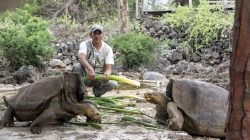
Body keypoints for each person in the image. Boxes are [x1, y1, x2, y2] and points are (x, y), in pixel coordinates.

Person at [72, 24, 118, 97]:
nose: (97, 36)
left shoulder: (108, 49)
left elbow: (108, 68)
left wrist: (106, 74)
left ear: (103, 35)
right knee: (77, 67)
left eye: (99, 33)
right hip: (86, 77)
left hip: (99, 79)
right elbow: (81, 58)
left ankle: (97, 92)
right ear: (91, 35)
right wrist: (90, 69)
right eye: (95, 33)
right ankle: (82, 93)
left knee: (114, 84)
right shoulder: (84, 44)